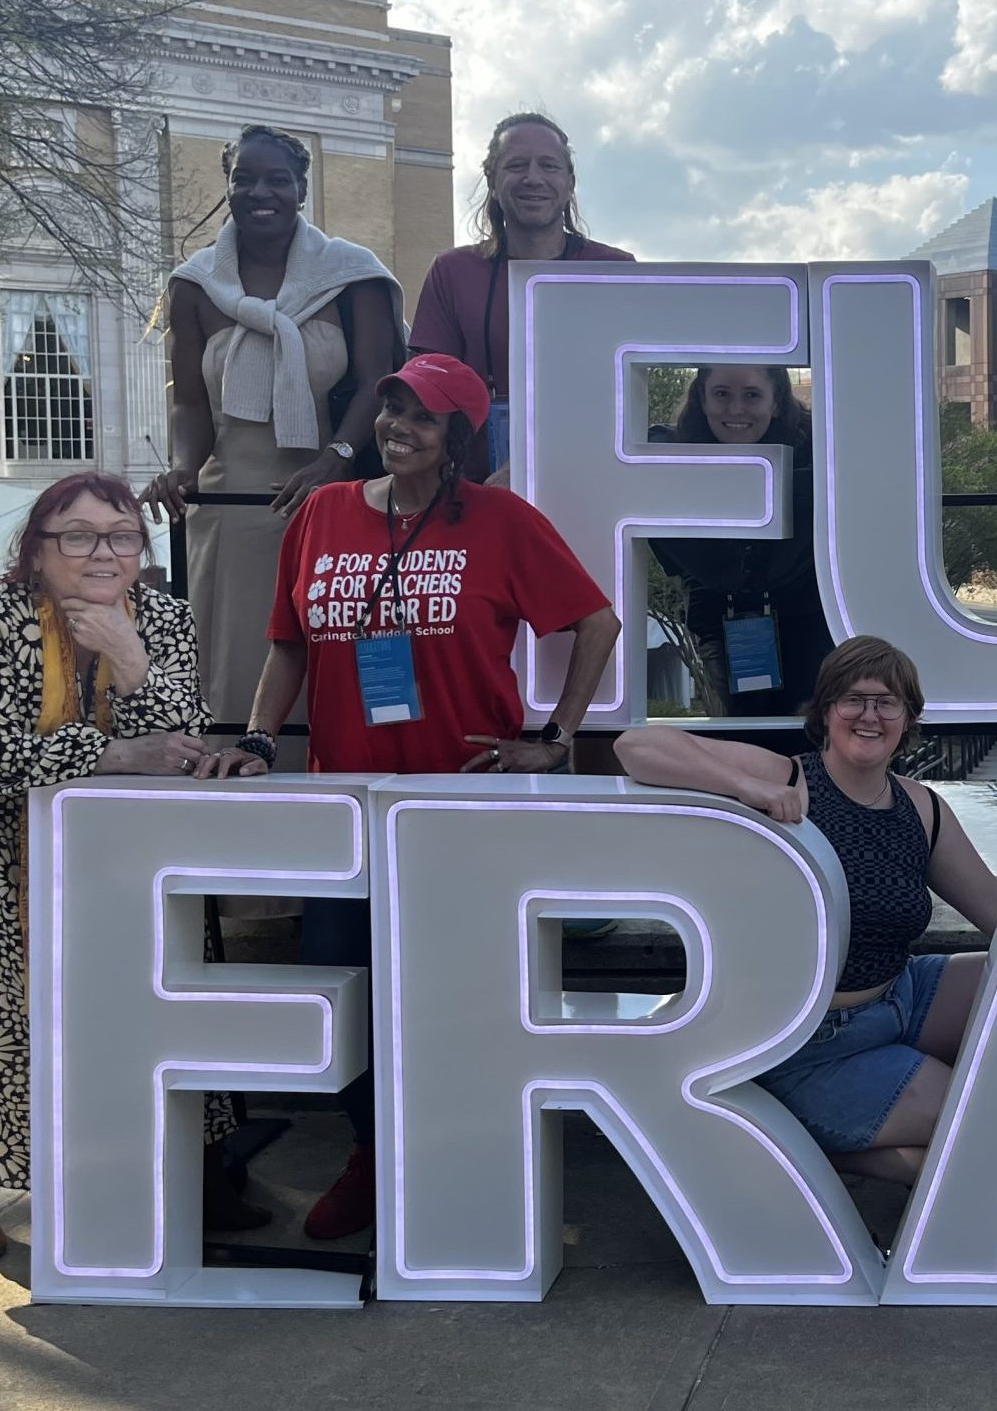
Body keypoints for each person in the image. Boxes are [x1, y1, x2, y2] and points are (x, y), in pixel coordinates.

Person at [200, 352, 622, 1237]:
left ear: (458, 438)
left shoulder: (503, 522)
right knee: (346, 990)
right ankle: (372, 1154)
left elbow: (596, 621)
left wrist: (551, 738)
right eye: (391, 409)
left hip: (465, 807)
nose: (398, 428)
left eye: (422, 417)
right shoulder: (320, 513)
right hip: (348, 804)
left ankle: (457, 1163)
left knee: (459, 999)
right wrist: (256, 739)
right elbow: (288, 646)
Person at [0, 473, 268, 1260]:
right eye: (78, 536)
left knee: (143, 993)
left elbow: (179, 744)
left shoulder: (162, 616)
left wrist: (128, 656)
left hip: (116, 845)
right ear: (37, 550)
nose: (103, 552)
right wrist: (116, 752)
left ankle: (186, 1168)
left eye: (122, 536)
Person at [613, 637, 997, 1185]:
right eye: (854, 699)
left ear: (907, 719)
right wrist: (745, 788)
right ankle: (811, 1149)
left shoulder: (922, 807)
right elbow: (635, 746)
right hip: (813, 1044)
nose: (869, 715)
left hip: (899, 994)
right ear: (825, 710)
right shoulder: (788, 778)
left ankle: (821, 1144)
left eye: (887, 702)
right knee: (980, 1124)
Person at [141, 124, 404, 740]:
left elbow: (377, 382)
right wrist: (183, 468)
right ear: (229, 188)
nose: (262, 191)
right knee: (235, 654)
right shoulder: (195, 283)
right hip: (231, 501)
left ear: (302, 189)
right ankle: (238, 790)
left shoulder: (351, 274)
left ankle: (345, 788)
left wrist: (334, 460)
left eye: (277, 179)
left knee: (340, 637)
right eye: (246, 178)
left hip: (335, 495)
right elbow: (191, 405)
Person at [408, 112, 635, 481]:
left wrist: (533, 465)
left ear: (570, 182)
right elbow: (426, 392)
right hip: (475, 490)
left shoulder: (614, 270)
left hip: (592, 486)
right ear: (492, 181)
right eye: (516, 165)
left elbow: (624, 396)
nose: (533, 178)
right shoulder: (452, 271)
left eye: (549, 165)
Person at [647, 366, 831, 736]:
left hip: (810, 618)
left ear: (777, 400)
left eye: (751, 395)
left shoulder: (821, 455)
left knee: (813, 731)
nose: (735, 409)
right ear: (702, 398)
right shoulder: (670, 456)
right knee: (744, 734)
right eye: (721, 394)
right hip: (723, 619)